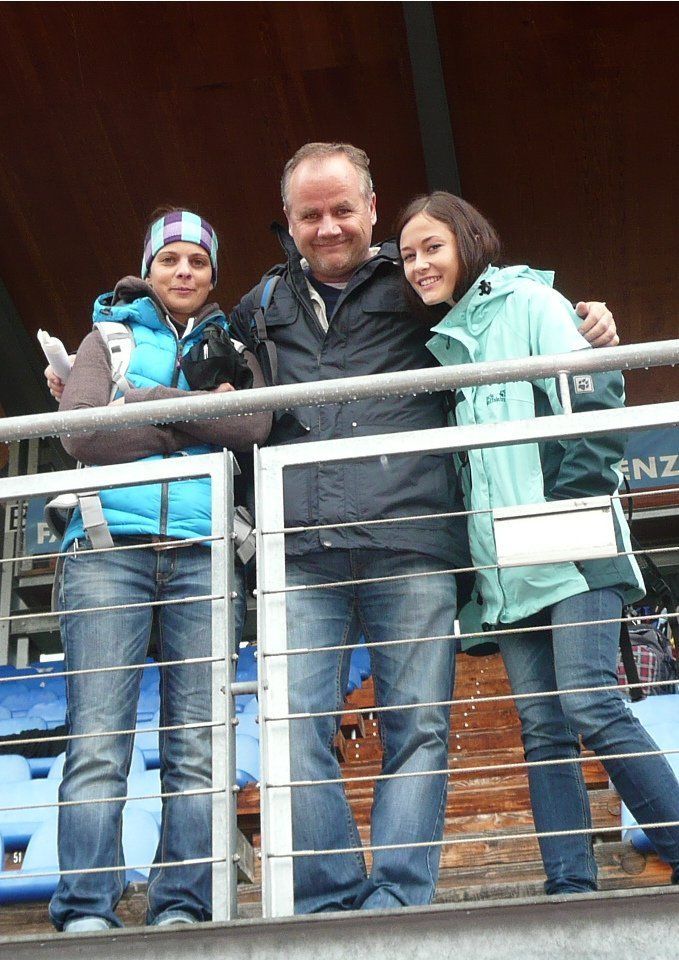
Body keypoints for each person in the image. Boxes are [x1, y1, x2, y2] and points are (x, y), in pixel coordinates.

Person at [226, 143, 618, 913]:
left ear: (371, 208)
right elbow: (205, 376)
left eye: (343, 209)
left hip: (412, 540)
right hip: (299, 549)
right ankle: (332, 899)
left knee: (418, 729)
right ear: (288, 221)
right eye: (310, 214)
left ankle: (398, 900)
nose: (328, 226)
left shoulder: (412, 284)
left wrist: (585, 317)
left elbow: (502, 297)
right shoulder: (260, 303)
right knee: (291, 728)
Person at [396, 190, 679, 894]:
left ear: (468, 241)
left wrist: (568, 502)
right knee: (542, 729)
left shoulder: (528, 301)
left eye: (432, 247)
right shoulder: (444, 343)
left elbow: (596, 387)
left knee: (590, 703)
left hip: (572, 548)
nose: (419, 264)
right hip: (506, 567)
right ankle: (569, 887)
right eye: (407, 255)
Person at [49, 209, 271, 932]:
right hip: (107, 550)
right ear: (148, 269)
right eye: (170, 258)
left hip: (204, 553)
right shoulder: (108, 336)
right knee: (98, 741)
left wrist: (140, 408)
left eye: (197, 262)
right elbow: (81, 432)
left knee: (198, 744)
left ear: (213, 274)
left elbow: (253, 425)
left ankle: (182, 904)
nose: (183, 271)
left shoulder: (234, 342)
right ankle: (86, 908)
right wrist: (195, 415)